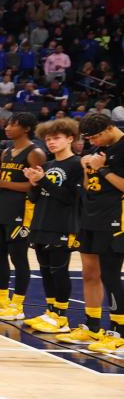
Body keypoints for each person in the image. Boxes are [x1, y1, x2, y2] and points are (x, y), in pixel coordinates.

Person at [62, 113, 124, 352]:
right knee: (89, 273)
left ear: (110, 127)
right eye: (90, 139)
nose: (94, 142)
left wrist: (104, 169)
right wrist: (88, 169)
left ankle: (119, 331)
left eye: (97, 136)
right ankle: (92, 326)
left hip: (115, 220)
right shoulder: (101, 149)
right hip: (90, 217)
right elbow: (90, 186)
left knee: (110, 275)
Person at [0, 113, 44, 319]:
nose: (8, 128)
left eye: (13, 125)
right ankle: (1, 299)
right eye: (8, 124)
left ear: (26, 129)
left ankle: (18, 305)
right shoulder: (6, 151)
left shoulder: (35, 153)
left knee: (18, 257)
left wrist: (2, 184)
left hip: (21, 212)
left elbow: (34, 185)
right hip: (1, 209)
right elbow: (6, 178)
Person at [23, 120, 82, 334]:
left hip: (62, 225)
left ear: (70, 138)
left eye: (56, 138)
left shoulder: (77, 165)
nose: (50, 143)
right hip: (41, 223)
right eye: (48, 139)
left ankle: (62, 317)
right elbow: (35, 197)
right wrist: (34, 182)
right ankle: (51, 312)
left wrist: (44, 181)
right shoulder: (47, 165)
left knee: (59, 271)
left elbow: (70, 198)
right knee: (45, 271)